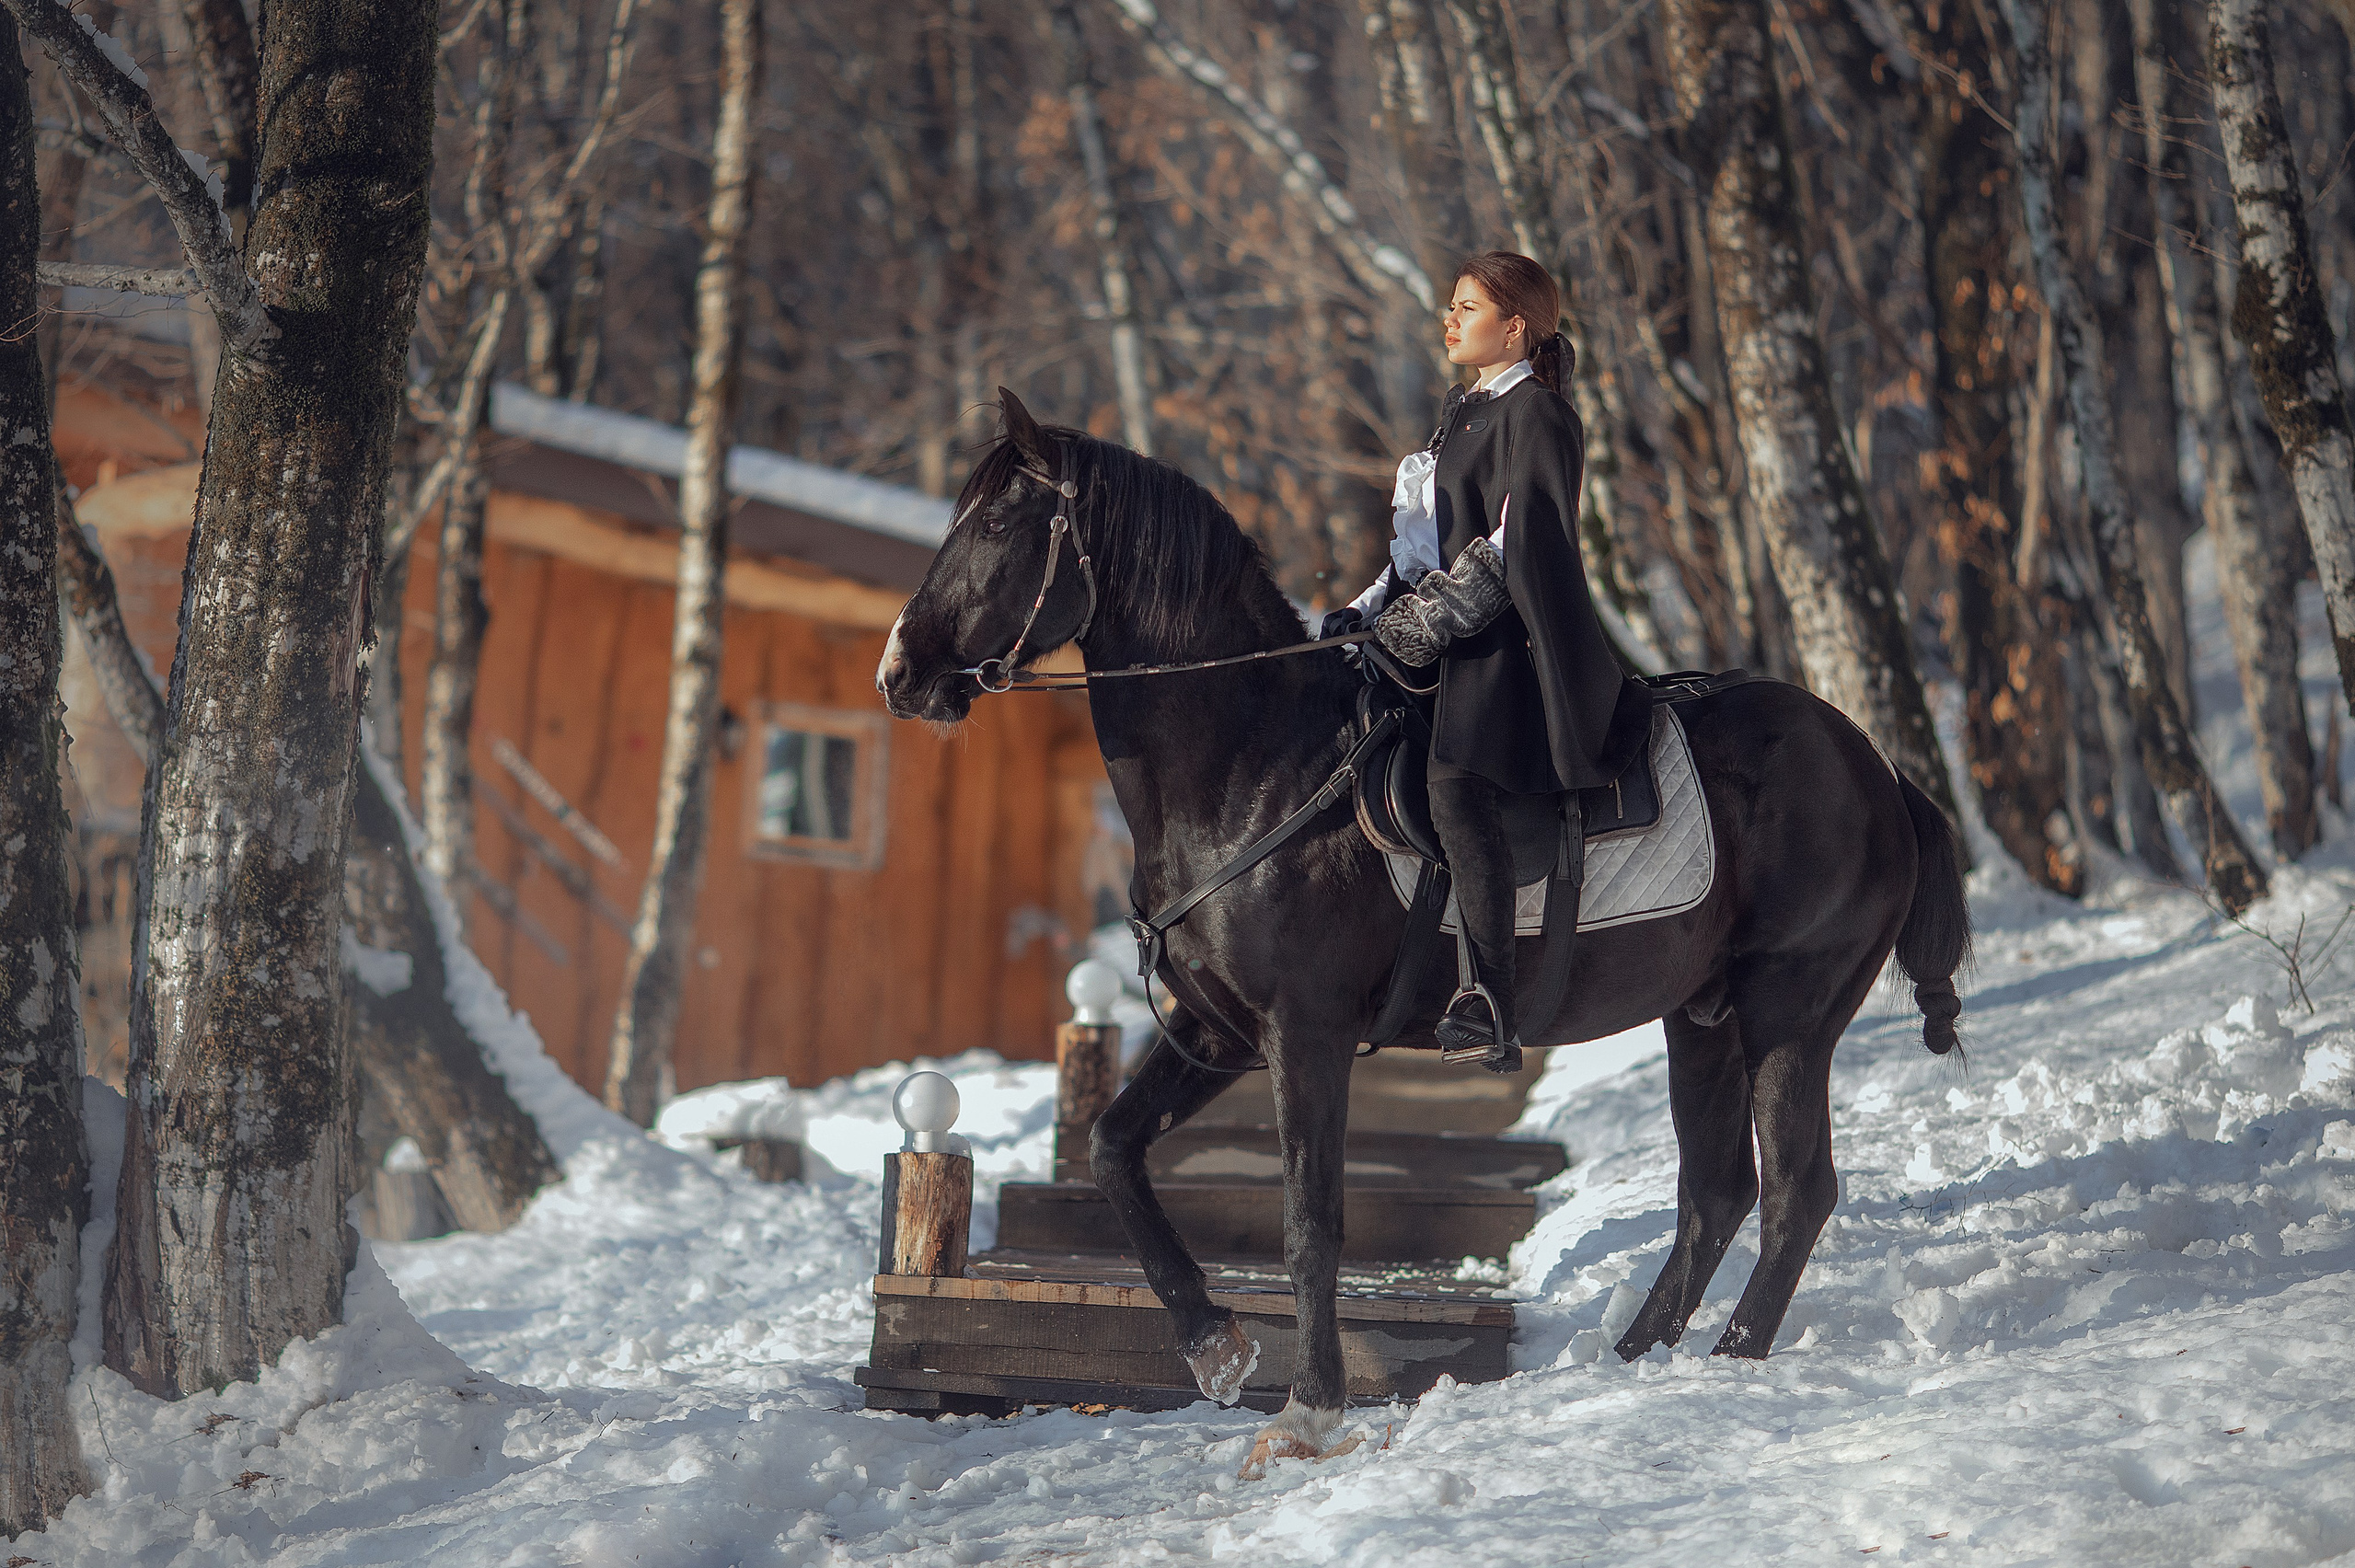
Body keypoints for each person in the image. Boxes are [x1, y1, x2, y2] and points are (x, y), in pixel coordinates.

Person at [1322, 252, 1651, 1072]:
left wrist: (1430, 618)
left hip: (1513, 647)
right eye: (1450, 305)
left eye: (1466, 307)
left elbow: (1519, 544)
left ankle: (1489, 1003)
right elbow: (1420, 547)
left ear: (1514, 327)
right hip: (1445, 640)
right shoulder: (1460, 414)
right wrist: (1363, 613)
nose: (1449, 319)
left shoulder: (1536, 414)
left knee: (1455, 785)